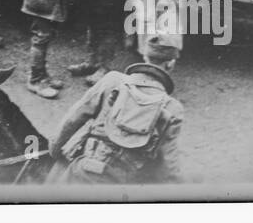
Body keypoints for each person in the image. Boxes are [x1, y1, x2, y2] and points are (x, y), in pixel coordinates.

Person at [48, 33, 185, 184]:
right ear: (171, 63)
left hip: (84, 170)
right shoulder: (172, 108)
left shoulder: (112, 81)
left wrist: (55, 150)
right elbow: (168, 166)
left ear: (145, 56)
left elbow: (73, 119)